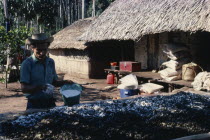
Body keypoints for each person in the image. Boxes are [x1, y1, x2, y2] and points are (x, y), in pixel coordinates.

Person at [20, 33, 72, 109]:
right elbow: (24, 88)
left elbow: (53, 82)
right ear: (32, 48)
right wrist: (40, 87)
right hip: (34, 104)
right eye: (39, 50)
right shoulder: (27, 64)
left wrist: (65, 82)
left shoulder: (50, 62)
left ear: (47, 47)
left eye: (45, 50)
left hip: (50, 103)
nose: (42, 53)